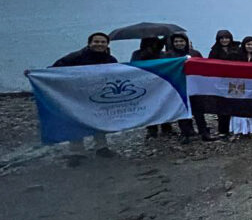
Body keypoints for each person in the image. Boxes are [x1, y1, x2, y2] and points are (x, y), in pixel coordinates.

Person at [51, 33, 118, 161]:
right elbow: (54, 70)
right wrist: (35, 74)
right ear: (89, 43)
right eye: (96, 42)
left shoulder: (111, 60)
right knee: (75, 122)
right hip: (76, 96)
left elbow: (115, 76)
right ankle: (77, 152)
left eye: (103, 42)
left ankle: (101, 147)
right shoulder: (75, 57)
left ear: (107, 44)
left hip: (99, 96)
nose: (99, 44)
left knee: (99, 120)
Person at [131, 38, 172, 139]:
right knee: (149, 105)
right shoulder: (137, 54)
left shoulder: (162, 54)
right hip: (146, 84)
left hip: (161, 83)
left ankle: (166, 126)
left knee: (164, 104)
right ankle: (151, 129)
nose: (153, 45)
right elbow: (133, 67)